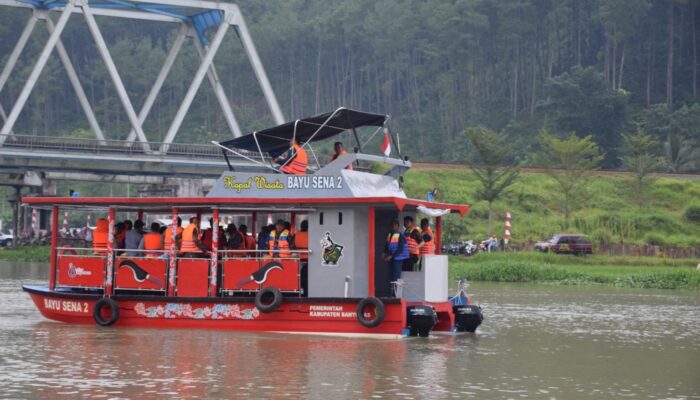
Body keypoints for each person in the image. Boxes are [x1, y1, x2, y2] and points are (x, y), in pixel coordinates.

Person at [384, 220, 408, 296]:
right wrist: (384, 252)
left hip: (398, 259)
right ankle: (392, 294)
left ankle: (396, 295)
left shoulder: (401, 235)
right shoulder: (390, 235)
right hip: (392, 258)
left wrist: (391, 256)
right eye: (392, 225)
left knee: (396, 276)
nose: (393, 227)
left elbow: (400, 249)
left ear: (398, 226)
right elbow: (387, 245)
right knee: (391, 276)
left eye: (395, 225)